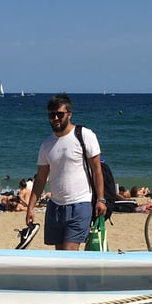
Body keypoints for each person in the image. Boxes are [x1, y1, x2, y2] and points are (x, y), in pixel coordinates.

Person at [26, 93, 107, 251]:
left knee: (70, 251)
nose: (55, 118)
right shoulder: (46, 145)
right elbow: (41, 179)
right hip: (55, 206)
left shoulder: (84, 135)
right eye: (52, 114)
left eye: (59, 114)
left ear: (69, 114)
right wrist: (30, 207)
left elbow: (97, 170)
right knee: (60, 255)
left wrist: (101, 199)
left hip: (80, 203)